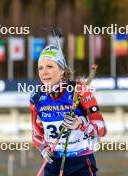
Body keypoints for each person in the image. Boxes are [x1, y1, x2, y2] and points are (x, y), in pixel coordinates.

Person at [30, 44, 107, 176]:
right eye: (40, 68)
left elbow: (102, 129)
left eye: (50, 66)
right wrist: (43, 149)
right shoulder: (36, 98)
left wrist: (80, 124)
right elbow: (37, 134)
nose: (44, 72)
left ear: (62, 71)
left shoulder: (79, 92)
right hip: (53, 164)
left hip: (81, 163)